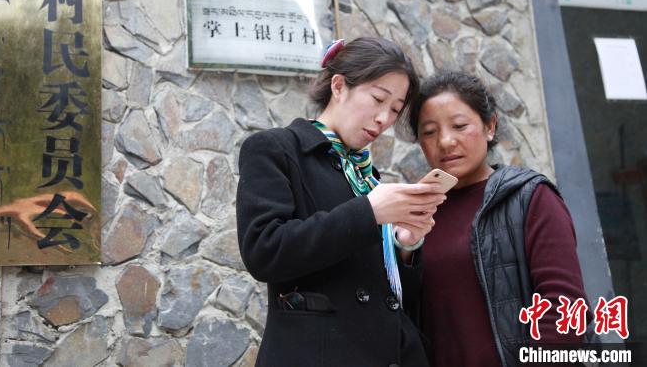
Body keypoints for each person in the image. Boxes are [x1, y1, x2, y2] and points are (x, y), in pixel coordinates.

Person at [236, 37, 445, 367]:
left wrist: (406, 245)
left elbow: (390, 295)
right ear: (338, 86)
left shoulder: (367, 176)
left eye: (395, 109)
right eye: (378, 99)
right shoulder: (275, 149)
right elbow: (263, 251)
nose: (384, 118)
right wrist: (369, 212)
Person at [409, 71, 590, 367]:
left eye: (459, 126)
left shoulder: (530, 197)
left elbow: (565, 311)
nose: (445, 141)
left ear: (490, 126)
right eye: (429, 132)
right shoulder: (414, 215)